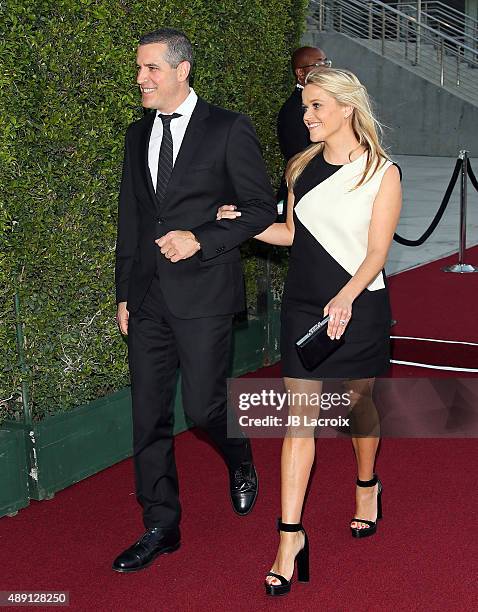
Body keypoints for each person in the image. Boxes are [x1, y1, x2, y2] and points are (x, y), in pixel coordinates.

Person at [217, 67, 402, 596]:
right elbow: (294, 234)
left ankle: (368, 485)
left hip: (358, 303)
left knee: (358, 405)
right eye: (305, 107)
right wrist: (243, 224)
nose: (308, 116)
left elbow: (377, 254)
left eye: (318, 106)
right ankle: (289, 538)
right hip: (303, 306)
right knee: (299, 422)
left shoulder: (380, 172)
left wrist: (345, 297)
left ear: (348, 108)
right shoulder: (300, 166)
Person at [113, 28, 276, 573]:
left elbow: (259, 209)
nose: (141, 79)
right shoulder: (137, 136)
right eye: (140, 70)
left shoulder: (228, 128)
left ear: (182, 70)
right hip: (149, 297)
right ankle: (161, 525)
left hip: (204, 291)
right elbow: (132, 222)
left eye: (151, 69)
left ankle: (239, 454)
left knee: (204, 408)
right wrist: (124, 294)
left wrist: (200, 238)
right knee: (147, 417)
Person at [276, 46, 331, 217]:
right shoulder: (293, 110)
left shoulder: (322, 102)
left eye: (326, 63)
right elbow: (299, 157)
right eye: (318, 64)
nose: (326, 69)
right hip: (305, 199)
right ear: (300, 73)